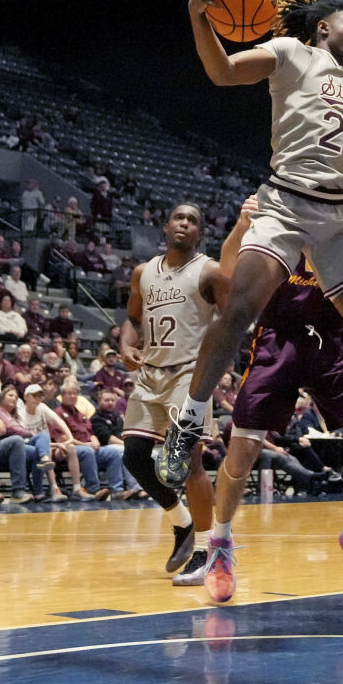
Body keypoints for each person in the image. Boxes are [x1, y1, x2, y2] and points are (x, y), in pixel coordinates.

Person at [159, 0, 343, 540]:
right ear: (321, 29)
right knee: (238, 311)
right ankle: (187, 425)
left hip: (337, 218)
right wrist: (198, 19)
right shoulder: (291, 55)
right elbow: (223, 72)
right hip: (284, 202)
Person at [197, 195, 343, 602]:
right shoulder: (277, 204)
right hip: (279, 341)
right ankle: (218, 546)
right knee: (241, 452)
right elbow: (228, 271)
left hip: (335, 345)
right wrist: (241, 226)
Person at [122, 204, 224, 576]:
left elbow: (232, 321)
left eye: (193, 220)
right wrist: (125, 344)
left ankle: (209, 550)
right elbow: (133, 319)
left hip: (189, 376)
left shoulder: (210, 271)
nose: (184, 223)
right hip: (150, 374)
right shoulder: (143, 273)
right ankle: (181, 521)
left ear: (199, 233)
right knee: (133, 456)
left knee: (190, 463)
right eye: (178, 218)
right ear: (165, 226)